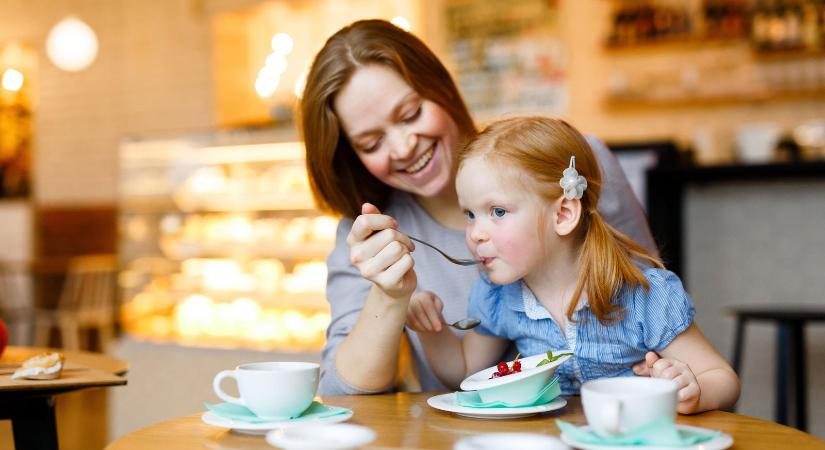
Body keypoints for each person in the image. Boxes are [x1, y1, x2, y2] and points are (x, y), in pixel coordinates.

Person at [300, 19, 657, 395]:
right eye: (371, 144)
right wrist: (389, 297)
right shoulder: (373, 236)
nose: (404, 147)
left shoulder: (573, 168)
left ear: (440, 88)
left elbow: (656, 304)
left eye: (410, 115)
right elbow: (341, 392)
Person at [405, 116, 740, 414]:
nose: (476, 233)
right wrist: (428, 329)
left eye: (498, 212)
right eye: (470, 214)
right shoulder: (498, 296)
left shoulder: (642, 295)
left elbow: (722, 379)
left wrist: (691, 390)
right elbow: (466, 372)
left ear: (563, 214)